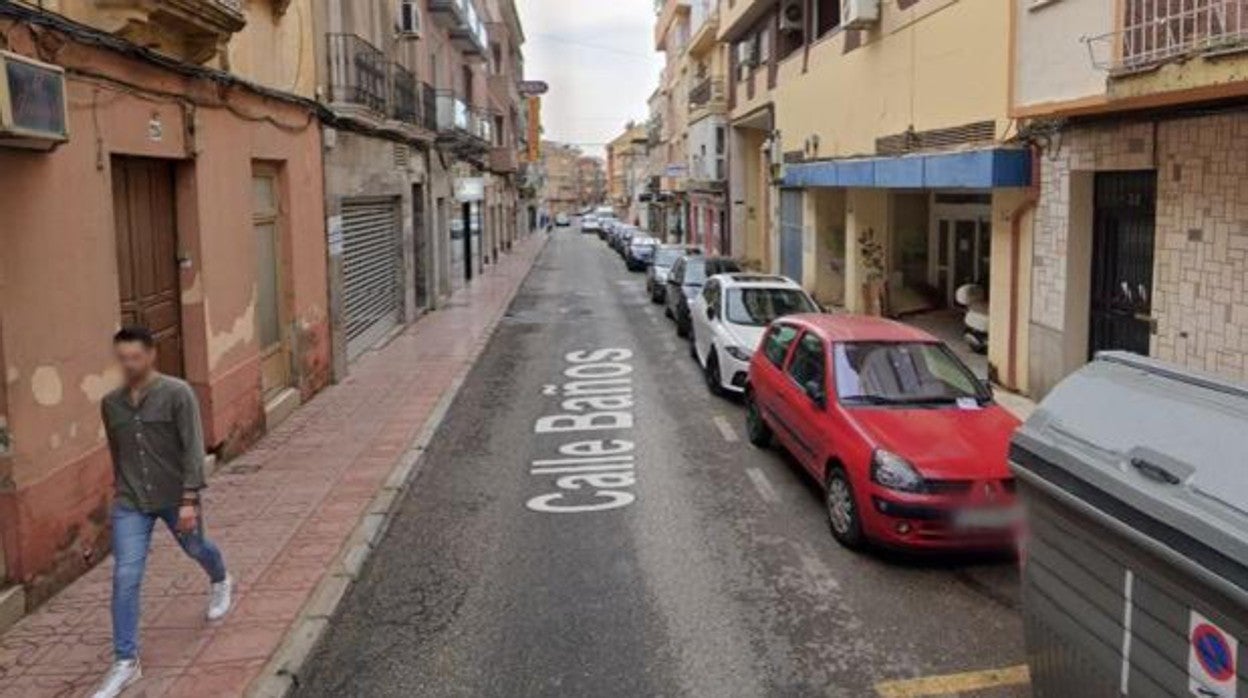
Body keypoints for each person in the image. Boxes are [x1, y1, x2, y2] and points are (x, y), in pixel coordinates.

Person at [91, 327, 232, 698]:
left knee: (197, 548)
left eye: (135, 357)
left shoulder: (177, 393)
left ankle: (221, 580)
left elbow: (192, 448)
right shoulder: (112, 404)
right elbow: (118, 453)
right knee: (126, 575)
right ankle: (125, 662)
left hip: (175, 496)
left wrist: (188, 499)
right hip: (132, 501)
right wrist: (120, 493)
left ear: (151, 355)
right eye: (122, 358)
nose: (129, 364)